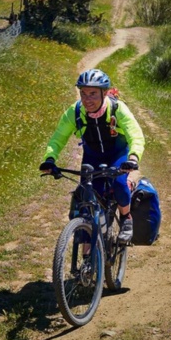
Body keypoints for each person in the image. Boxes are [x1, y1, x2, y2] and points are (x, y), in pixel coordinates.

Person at [39, 68, 145, 243]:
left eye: (93, 94)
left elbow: (135, 135)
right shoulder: (75, 112)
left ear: (104, 93)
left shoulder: (117, 109)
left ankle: (126, 218)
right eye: (83, 93)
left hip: (117, 155)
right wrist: (50, 159)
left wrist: (132, 158)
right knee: (86, 199)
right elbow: (57, 138)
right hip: (92, 157)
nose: (87, 99)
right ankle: (88, 259)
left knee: (119, 184)